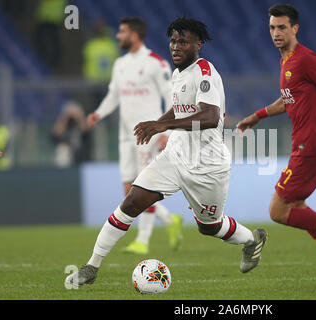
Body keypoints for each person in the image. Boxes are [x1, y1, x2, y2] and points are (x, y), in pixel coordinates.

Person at [66, 16, 268, 287]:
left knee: (209, 226)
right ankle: (91, 267)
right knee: (130, 202)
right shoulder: (178, 73)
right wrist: (161, 124)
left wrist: (163, 125)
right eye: (173, 41)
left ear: (198, 44)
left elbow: (209, 116)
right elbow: (180, 107)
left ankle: (252, 240)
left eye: (183, 42)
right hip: (175, 156)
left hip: (206, 165)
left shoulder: (205, 72)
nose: (175, 46)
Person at [236, 4, 316, 277]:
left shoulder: (306, 59)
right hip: (304, 144)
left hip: (314, 145)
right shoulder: (286, 61)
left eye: (282, 27)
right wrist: (257, 115)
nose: (276, 32)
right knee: (296, 207)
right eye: (272, 27)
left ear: (295, 28)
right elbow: (287, 100)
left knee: (277, 211)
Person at [86, 17, 182, 255]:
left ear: (135, 35)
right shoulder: (119, 64)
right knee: (129, 191)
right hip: (124, 135)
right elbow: (113, 95)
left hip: (147, 133)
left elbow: (171, 98)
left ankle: (143, 240)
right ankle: (170, 221)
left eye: (122, 32)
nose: (118, 36)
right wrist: (98, 114)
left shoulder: (156, 63)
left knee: (143, 185)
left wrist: (165, 130)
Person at [51, 101, 91, 167]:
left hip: (82, 157)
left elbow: (86, 131)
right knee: (63, 149)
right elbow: (55, 135)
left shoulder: (80, 124)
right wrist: (65, 116)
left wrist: (78, 115)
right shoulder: (64, 125)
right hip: (66, 159)